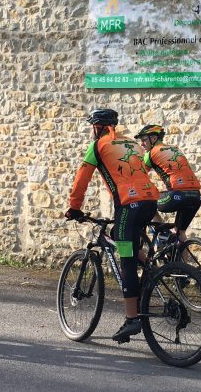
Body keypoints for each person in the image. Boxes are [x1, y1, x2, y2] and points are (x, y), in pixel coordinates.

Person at [65, 109, 158, 343]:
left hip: (129, 206)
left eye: (92, 127)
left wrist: (74, 208)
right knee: (119, 234)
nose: (91, 131)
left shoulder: (98, 146)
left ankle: (131, 318)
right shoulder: (132, 144)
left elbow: (82, 179)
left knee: (126, 260)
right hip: (149, 202)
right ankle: (153, 270)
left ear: (97, 127)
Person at [134, 124, 201, 243]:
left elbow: (138, 175)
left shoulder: (151, 154)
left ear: (154, 138)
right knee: (180, 232)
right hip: (195, 197)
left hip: (176, 196)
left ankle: (164, 234)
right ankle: (182, 254)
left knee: (147, 203)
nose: (142, 144)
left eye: (144, 140)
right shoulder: (175, 150)